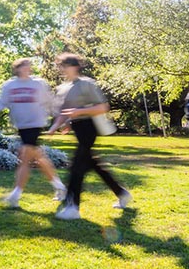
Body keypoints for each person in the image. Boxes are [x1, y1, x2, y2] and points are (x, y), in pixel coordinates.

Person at [49, 53, 131, 220]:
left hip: (89, 127)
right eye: (61, 67)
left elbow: (103, 107)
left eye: (65, 66)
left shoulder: (86, 84)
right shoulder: (63, 88)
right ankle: (122, 193)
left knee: (76, 168)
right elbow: (64, 112)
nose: (62, 70)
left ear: (75, 66)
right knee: (94, 165)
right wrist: (57, 126)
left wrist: (79, 112)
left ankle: (73, 207)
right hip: (78, 129)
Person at [0, 58, 66, 208]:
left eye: (29, 66)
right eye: (25, 66)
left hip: (35, 124)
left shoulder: (38, 84)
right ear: (17, 68)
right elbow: (2, 101)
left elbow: (50, 102)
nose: (28, 68)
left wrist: (59, 119)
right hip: (21, 125)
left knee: (24, 157)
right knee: (38, 157)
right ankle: (60, 187)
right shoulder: (9, 85)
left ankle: (15, 195)